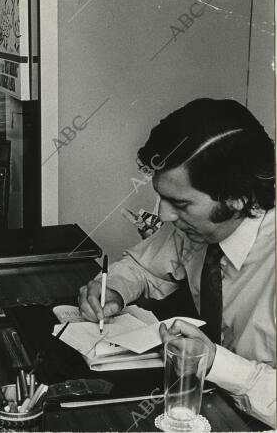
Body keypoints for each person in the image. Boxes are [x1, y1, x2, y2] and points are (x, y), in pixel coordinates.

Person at [78, 99, 275, 427]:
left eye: (180, 203)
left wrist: (214, 362)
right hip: (204, 406)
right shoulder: (200, 227)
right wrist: (112, 288)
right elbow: (143, 267)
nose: (164, 215)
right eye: (162, 197)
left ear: (238, 198)